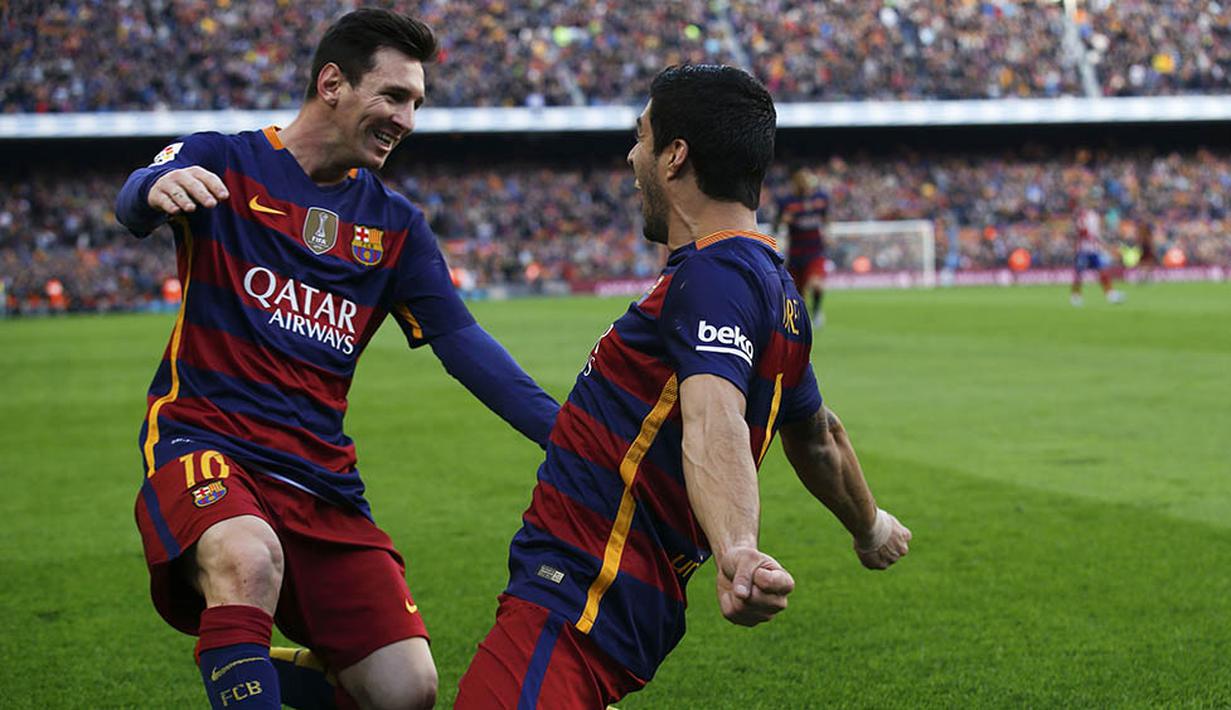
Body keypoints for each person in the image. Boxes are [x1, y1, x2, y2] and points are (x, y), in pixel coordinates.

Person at [114, 10, 558, 710]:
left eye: (415, 102)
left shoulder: (395, 226)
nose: (407, 119)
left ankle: (247, 666)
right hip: (206, 441)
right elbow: (136, 193)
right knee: (245, 557)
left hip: (320, 481)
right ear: (331, 84)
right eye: (394, 96)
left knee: (405, 691)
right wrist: (149, 192)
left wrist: (573, 439)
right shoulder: (226, 161)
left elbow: (466, 347)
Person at [454, 64, 912, 709]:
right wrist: (870, 525)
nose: (631, 155)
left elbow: (713, 416)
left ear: (674, 157)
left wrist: (738, 551)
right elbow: (819, 434)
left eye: (641, 136)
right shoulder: (774, 290)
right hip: (612, 597)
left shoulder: (711, 277)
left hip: (583, 590)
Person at [773, 167, 830, 328]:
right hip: (796, 253)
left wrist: (828, 232)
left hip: (815, 251)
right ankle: (799, 321)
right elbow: (776, 225)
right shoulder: (788, 203)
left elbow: (826, 218)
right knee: (797, 295)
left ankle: (817, 311)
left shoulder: (821, 199)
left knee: (817, 283)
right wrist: (783, 221)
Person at [1070, 201, 1125, 306]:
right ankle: (1075, 296)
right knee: (1079, 274)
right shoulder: (1083, 216)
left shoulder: (1095, 216)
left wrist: (1099, 242)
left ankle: (1111, 295)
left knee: (1102, 271)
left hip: (1094, 250)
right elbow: (1080, 231)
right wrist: (1090, 236)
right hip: (1083, 250)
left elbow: (1096, 233)